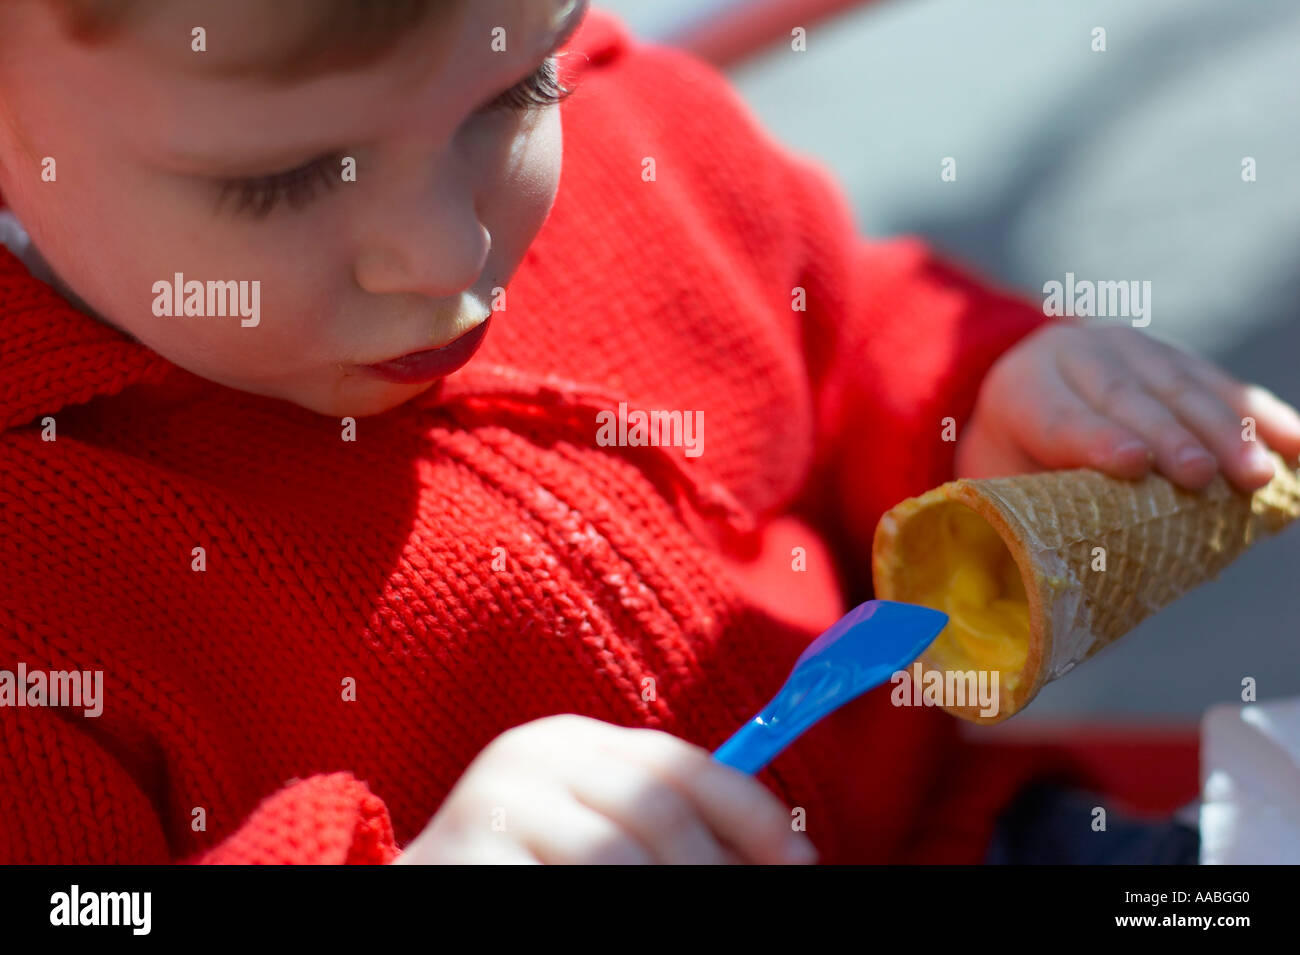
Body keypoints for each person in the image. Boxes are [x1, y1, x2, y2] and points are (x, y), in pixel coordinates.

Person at [1, 0, 1296, 864]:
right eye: (275, 183)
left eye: (518, 90)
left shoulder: (643, 137)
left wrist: (984, 397)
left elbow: (837, 326)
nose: (449, 257)